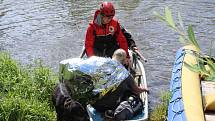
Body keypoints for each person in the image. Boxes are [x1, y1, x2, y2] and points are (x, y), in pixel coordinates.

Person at [54, 49, 148, 120]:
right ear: (124, 61)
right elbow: (137, 90)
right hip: (111, 106)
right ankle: (115, 113)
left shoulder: (98, 62)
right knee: (130, 95)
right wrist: (145, 89)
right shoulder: (125, 73)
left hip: (96, 106)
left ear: (113, 56)